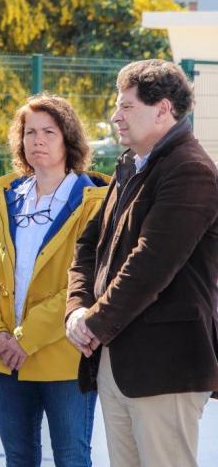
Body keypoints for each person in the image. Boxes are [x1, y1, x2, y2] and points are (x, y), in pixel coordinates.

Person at [65, 60, 218, 467]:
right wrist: (76, 307)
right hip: (118, 361)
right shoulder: (131, 165)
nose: (115, 116)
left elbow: (150, 264)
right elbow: (88, 245)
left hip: (165, 366)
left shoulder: (191, 170)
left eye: (126, 106)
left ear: (162, 109)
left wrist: (92, 323)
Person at [0, 95, 109, 466]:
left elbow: (90, 282)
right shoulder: (8, 198)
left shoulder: (93, 202)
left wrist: (25, 338)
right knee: (18, 457)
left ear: (69, 139)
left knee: (71, 456)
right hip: (7, 357)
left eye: (49, 131)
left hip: (64, 356)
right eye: (29, 132)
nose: (38, 140)